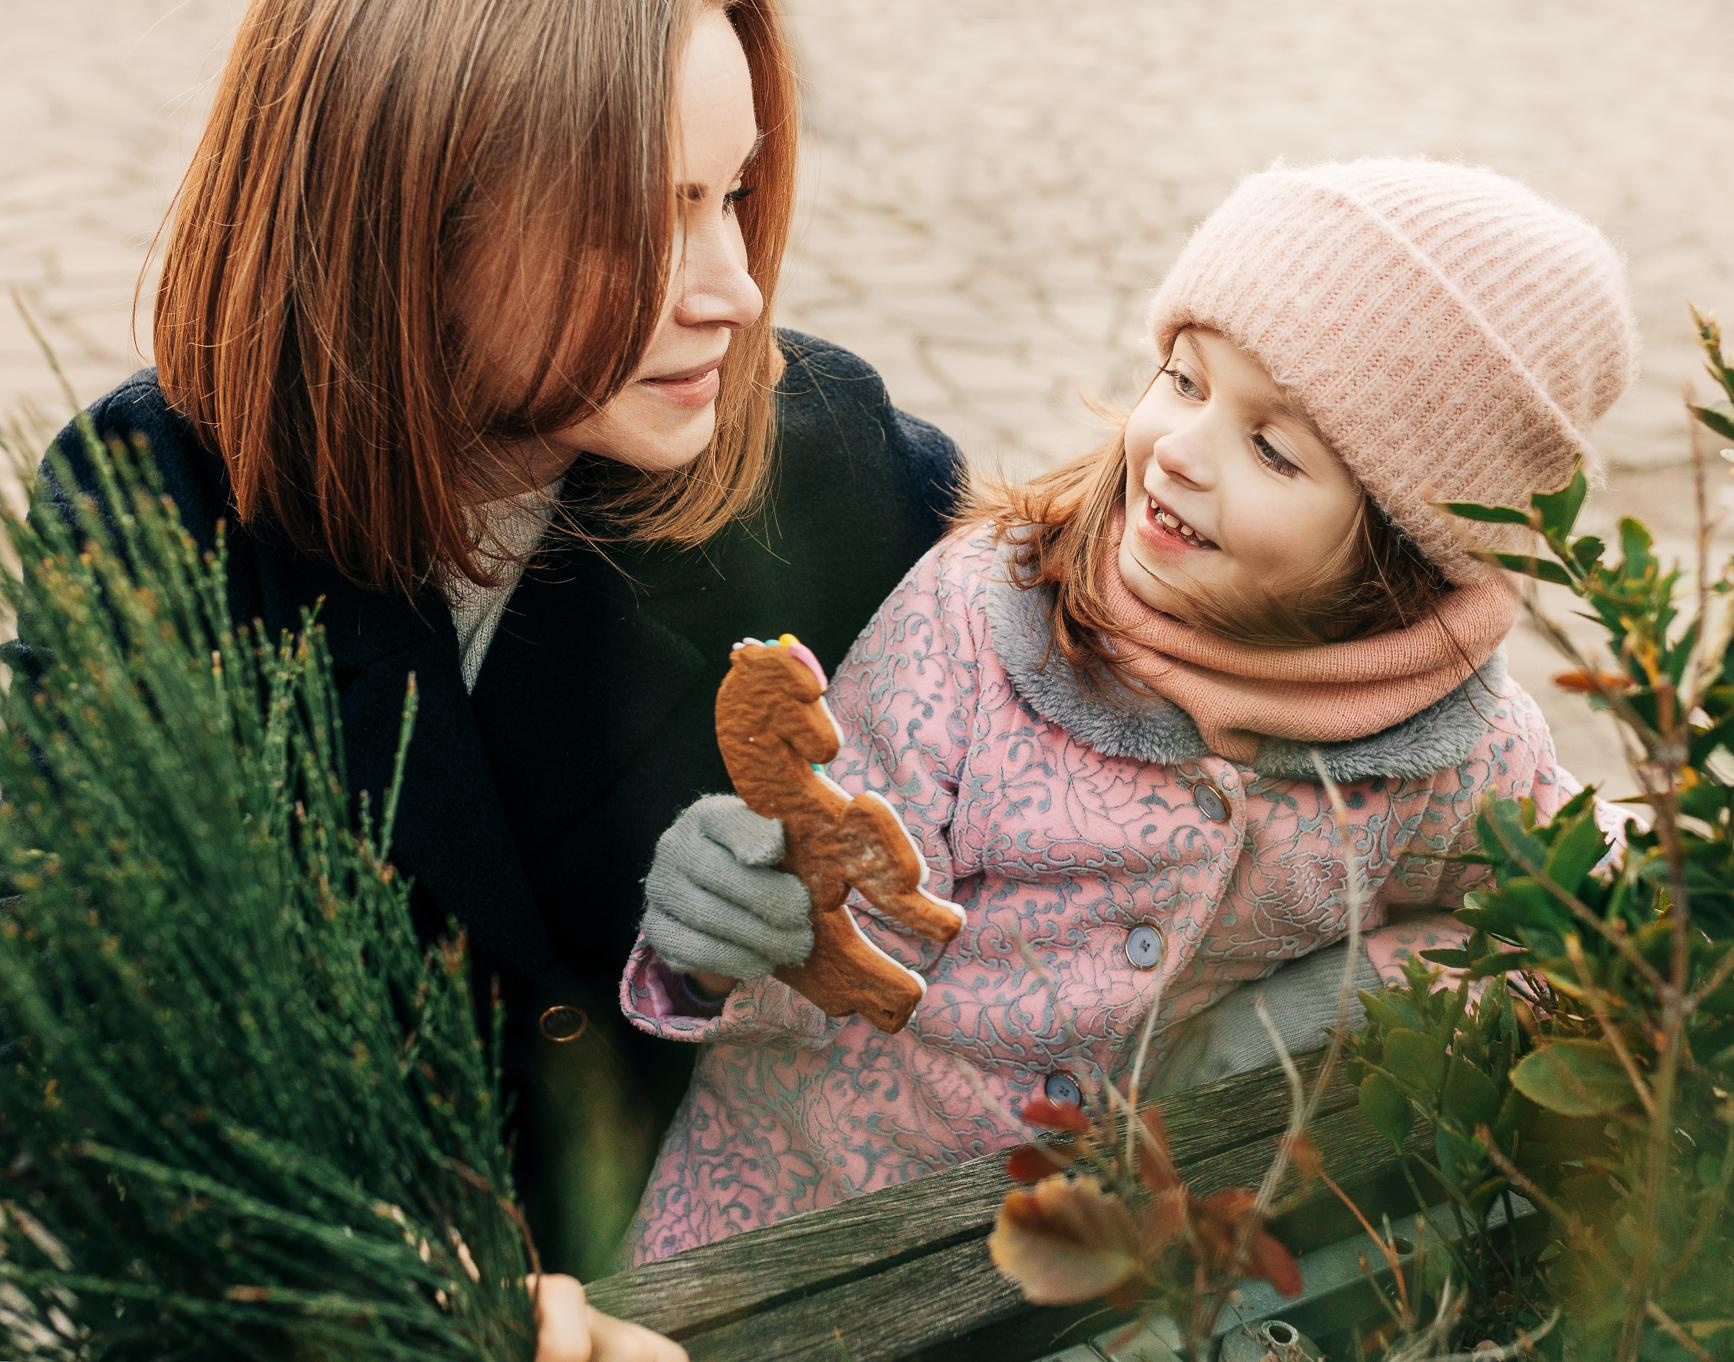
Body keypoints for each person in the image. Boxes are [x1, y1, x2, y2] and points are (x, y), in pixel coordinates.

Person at [17, 0, 958, 1308]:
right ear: (402, 213)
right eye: (645, 216)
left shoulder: (829, 471)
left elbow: (1093, 635)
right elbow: (71, 1026)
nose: (736, 288)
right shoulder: (155, 505)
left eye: (736, 193)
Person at [621, 157, 1639, 1260]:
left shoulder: (1453, 749)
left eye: (1270, 448)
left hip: (1116, 1280)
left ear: (1404, 544)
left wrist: (1307, 1024)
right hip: (794, 1229)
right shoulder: (985, 617)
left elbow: (1574, 915)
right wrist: (729, 935)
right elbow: (833, 921)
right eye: (1184, 379)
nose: (1178, 451)